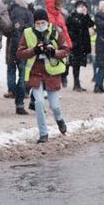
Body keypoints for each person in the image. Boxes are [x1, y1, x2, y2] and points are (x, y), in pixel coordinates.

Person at [16, 9, 69, 143]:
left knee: (55, 106)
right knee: (39, 103)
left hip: (52, 71)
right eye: (37, 23)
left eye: (43, 22)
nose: (40, 25)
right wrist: (34, 50)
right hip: (35, 71)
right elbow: (20, 53)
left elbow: (66, 50)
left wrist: (54, 52)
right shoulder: (27, 33)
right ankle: (43, 133)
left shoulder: (57, 31)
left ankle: (59, 119)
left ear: (48, 21)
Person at [7, 0, 34, 112]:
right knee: (23, 76)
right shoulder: (22, 12)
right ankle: (20, 104)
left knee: (23, 75)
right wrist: (22, 50)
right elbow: (19, 32)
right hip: (23, 49)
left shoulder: (21, 10)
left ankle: (20, 100)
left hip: (21, 48)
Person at [65, 0, 94, 91]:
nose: (81, 8)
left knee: (79, 65)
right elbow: (69, 27)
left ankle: (77, 84)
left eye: (83, 6)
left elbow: (90, 24)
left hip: (83, 44)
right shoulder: (72, 16)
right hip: (75, 44)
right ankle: (75, 84)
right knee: (75, 64)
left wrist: (86, 15)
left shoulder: (84, 16)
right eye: (80, 6)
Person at [45, 0, 73, 88]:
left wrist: (68, 43)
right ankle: (51, 86)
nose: (60, 5)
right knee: (52, 65)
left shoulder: (60, 15)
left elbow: (64, 30)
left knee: (63, 64)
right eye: (58, 3)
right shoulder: (48, 16)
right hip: (53, 43)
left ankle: (59, 82)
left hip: (61, 42)